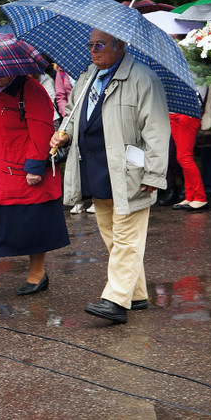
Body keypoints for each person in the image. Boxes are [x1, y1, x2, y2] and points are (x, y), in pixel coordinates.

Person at [51, 29, 170, 324]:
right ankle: (137, 293)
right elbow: (72, 111)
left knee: (127, 237)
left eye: (100, 44)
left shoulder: (142, 78)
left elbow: (156, 130)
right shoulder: (87, 76)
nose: (93, 50)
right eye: (90, 45)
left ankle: (116, 299)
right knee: (113, 237)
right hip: (95, 170)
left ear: (120, 46)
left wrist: (155, 174)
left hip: (131, 172)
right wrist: (63, 132)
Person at [0, 75, 69, 294]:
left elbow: (42, 131)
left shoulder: (32, 90)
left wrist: (36, 167)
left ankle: (36, 275)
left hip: (22, 174)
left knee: (35, 227)